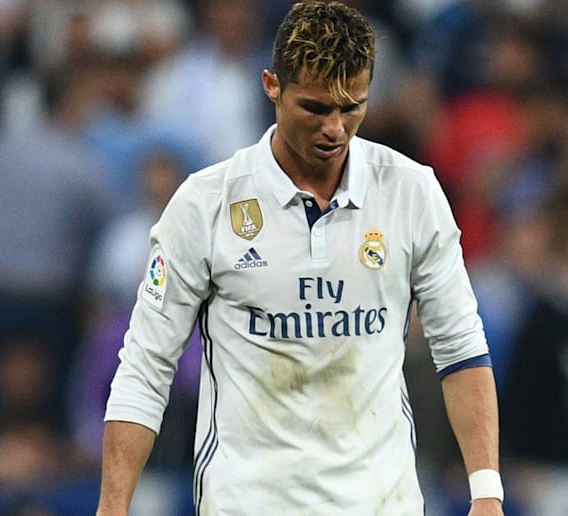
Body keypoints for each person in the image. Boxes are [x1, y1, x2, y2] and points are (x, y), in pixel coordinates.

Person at [97, 2, 505, 515]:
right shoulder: (205, 204)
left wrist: (486, 489)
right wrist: (113, 506)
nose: (335, 128)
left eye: (351, 106)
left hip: (381, 504)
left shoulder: (411, 192)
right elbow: (145, 364)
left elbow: (461, 346)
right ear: (272, 85)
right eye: (315, 108)